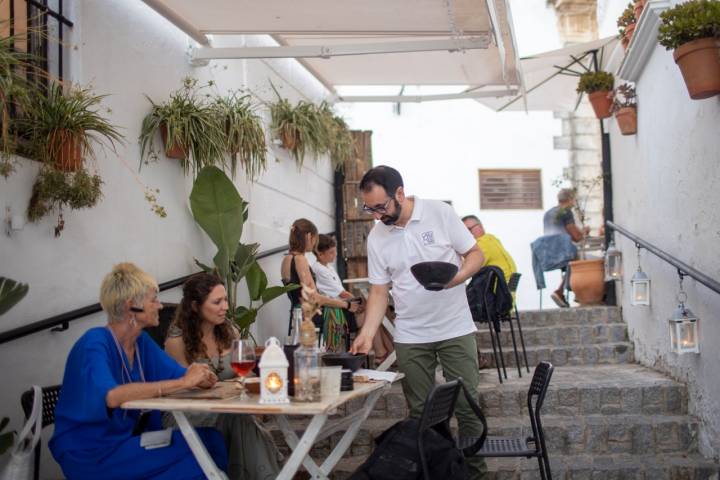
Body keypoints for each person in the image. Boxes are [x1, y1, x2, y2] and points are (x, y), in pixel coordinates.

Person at [350, 165, 488, 479]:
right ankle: (435, 473)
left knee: (468, 409)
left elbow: (475, 254)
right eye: (369, 208)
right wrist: (367, 334)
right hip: (411, 334)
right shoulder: (378, 236)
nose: (375, 215)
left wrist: (457, 278)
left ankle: (474, 474)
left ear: (400, 193)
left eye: (380, 207)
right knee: (422, 415)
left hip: (455, 327)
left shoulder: (439, 213)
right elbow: (379, 291)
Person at [49, 263, 227, 480]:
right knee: (196, 454)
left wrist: (201, 376)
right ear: (131, 306)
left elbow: (180, 374)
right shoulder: (94, 343)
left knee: (210, 440)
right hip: (92, 452)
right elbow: (112, 396)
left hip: (128, 441)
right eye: (153, 299)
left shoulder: (140, 342)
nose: (160, 306)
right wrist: (184, 383)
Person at [164, 273, 281, 480]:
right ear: (194, 306)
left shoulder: (230, 332)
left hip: (229, 407)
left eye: (225, 299)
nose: (225, 307)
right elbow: (179, 389)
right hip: (188, 411)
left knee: (239, 417)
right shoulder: (177, 341)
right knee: (239, 418)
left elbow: (247, 375)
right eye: (217, 302)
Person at [313, 234, 394, 357]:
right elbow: (342, 294)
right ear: (319, 253)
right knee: (371, 314)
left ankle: (387, 351)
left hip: (342, 306)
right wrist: (357, 302)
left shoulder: (327, 267)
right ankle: (383, 352)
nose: (335, 255)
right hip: (334, 311)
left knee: (378, 311)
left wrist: (358, 302)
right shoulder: (319, 269)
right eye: (331, 253)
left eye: (335, 252)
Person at [281, 219, 358, 339]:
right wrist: (346, 305)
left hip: (297, 312)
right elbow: (313, 298)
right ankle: (347, 354)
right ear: (309, 236)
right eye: (315, 239)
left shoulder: (286, 259)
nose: (315, 243)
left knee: (353, 310)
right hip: (311, 314)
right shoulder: (300, 259)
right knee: (358, 314)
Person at [542, 188, 590, 307]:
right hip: (564, 251)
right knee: (584, 260)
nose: (574, 202)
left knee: (574, 259)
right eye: (574, 199)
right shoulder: (566, 211)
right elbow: (575, 237)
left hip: (549, 252)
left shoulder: (548, 213)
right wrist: (584, 232)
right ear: (571, 199)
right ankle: (570, 292)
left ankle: (574, 293)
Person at [461, 215, 517, 284]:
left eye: (469, 229)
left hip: (498, 290)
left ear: (481, 226)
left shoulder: (481, 243)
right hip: (509, 288)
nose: (468, 234)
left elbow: (465, 269)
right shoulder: (492, 238)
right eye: (464, 232)